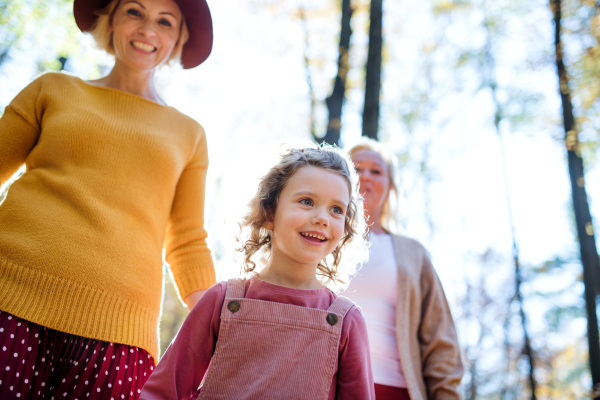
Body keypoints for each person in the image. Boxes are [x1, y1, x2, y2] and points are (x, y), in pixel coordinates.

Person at [0, 0, 215, 398]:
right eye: (135, 11)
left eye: (165, 20)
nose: (148, 28)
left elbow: (186, 239)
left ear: (179, 38)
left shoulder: (189, 134)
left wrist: (219, 323)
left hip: (119, 333)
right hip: (9, 295)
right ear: (111, 19)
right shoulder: (53, 88)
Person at [139, 147, 375, 400]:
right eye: (306, 201)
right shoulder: (221, 301)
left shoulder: (346, 321)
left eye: (336, 209)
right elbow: (163, 392)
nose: (322, 218)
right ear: (269, 213)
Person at [344, 139, 463, 400]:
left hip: (397, 389)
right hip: (325, 387)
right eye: (356, 168)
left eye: (376, 171)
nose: (365, 176)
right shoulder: (317, 238)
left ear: (389, 186)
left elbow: (439, 335)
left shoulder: (413, 253)